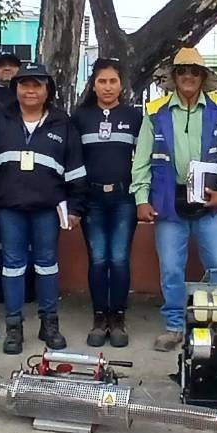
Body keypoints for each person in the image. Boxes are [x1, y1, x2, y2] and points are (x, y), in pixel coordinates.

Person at [132, 47, 217, 350]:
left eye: (195, 71)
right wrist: (141, 198)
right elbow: (141, 158)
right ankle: (174, 326)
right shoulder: (155, 111)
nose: (189, 76)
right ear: (174, 76)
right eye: (182, 71)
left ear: (203, 76)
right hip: (168, 200)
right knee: (170, 268)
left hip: (211, 199)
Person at [0, 62, 84, 354]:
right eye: (24, 84)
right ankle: (14, 328)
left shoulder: (62, 123)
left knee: (47, 265)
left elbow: (75, 170)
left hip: (48, 210)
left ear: (47, 90)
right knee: (12, 267)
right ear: (15, 89)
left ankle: (49, 324)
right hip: (10, 209)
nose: (30, 90)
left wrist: (75, 208)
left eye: (37, 85)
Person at [72, 58, 142, 347]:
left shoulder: (134, 116)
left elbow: (143, 160)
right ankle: (100, 318)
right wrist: (75, 202)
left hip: (124, 199)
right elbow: (73, 161)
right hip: (92, 200)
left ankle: (118, 318)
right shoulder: (80, 117)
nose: (108, 87)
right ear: (94, 85)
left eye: (113, 81)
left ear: (121, 85)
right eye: (102, 81)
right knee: (99, 259)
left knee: (119, 258)